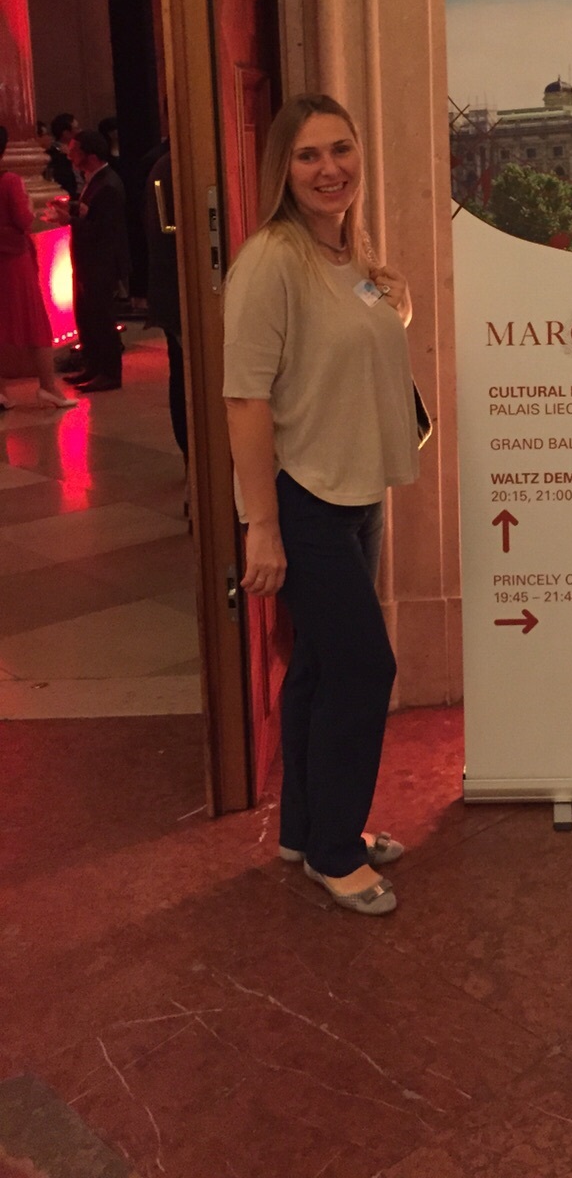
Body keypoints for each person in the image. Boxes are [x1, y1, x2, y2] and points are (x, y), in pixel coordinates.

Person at [223, 93, 422, 917]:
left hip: (356, 489)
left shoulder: (348, 254)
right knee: (364, 668)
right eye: (308, 155)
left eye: (341, 149)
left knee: (316, 665)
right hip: (301, 496)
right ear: (284, 168)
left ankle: (306, 831)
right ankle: (338, 853)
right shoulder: (271, 259)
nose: (329, 168)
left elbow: (357, 348)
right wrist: (261, 525)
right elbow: (244, 399)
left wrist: (389, 297)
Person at [0, 126, 76, 411]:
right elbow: (23, 220)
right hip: (14, 261)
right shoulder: (10, 181)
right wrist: (31, 205)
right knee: (35, 323)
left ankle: (1, 390)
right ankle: (47, 386)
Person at [54, 128, 129, 392]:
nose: (70, 156)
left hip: (101, 262)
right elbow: (93, 213)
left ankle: (109, 373)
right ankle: (94, 366)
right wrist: (74, 208)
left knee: (102, 318)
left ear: (91, 155)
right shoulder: (97, 180)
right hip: (90, 261)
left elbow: (104, 230)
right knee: (88, 316)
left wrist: (70, 220)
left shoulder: (108, 184)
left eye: (75, 151)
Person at [144, 144, 187, 463]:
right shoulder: (176, 167)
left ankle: (191, 459)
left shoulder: (162, 165)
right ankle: (193, 459)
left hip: (171, 290)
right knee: (186, 379)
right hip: (180, 291)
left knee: (180, 374)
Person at [43, 113, 80, 199]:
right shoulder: (55, 155)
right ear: (66, 133)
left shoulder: (79, 149)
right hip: (70, 197)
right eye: (76, 128)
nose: (80, 131)